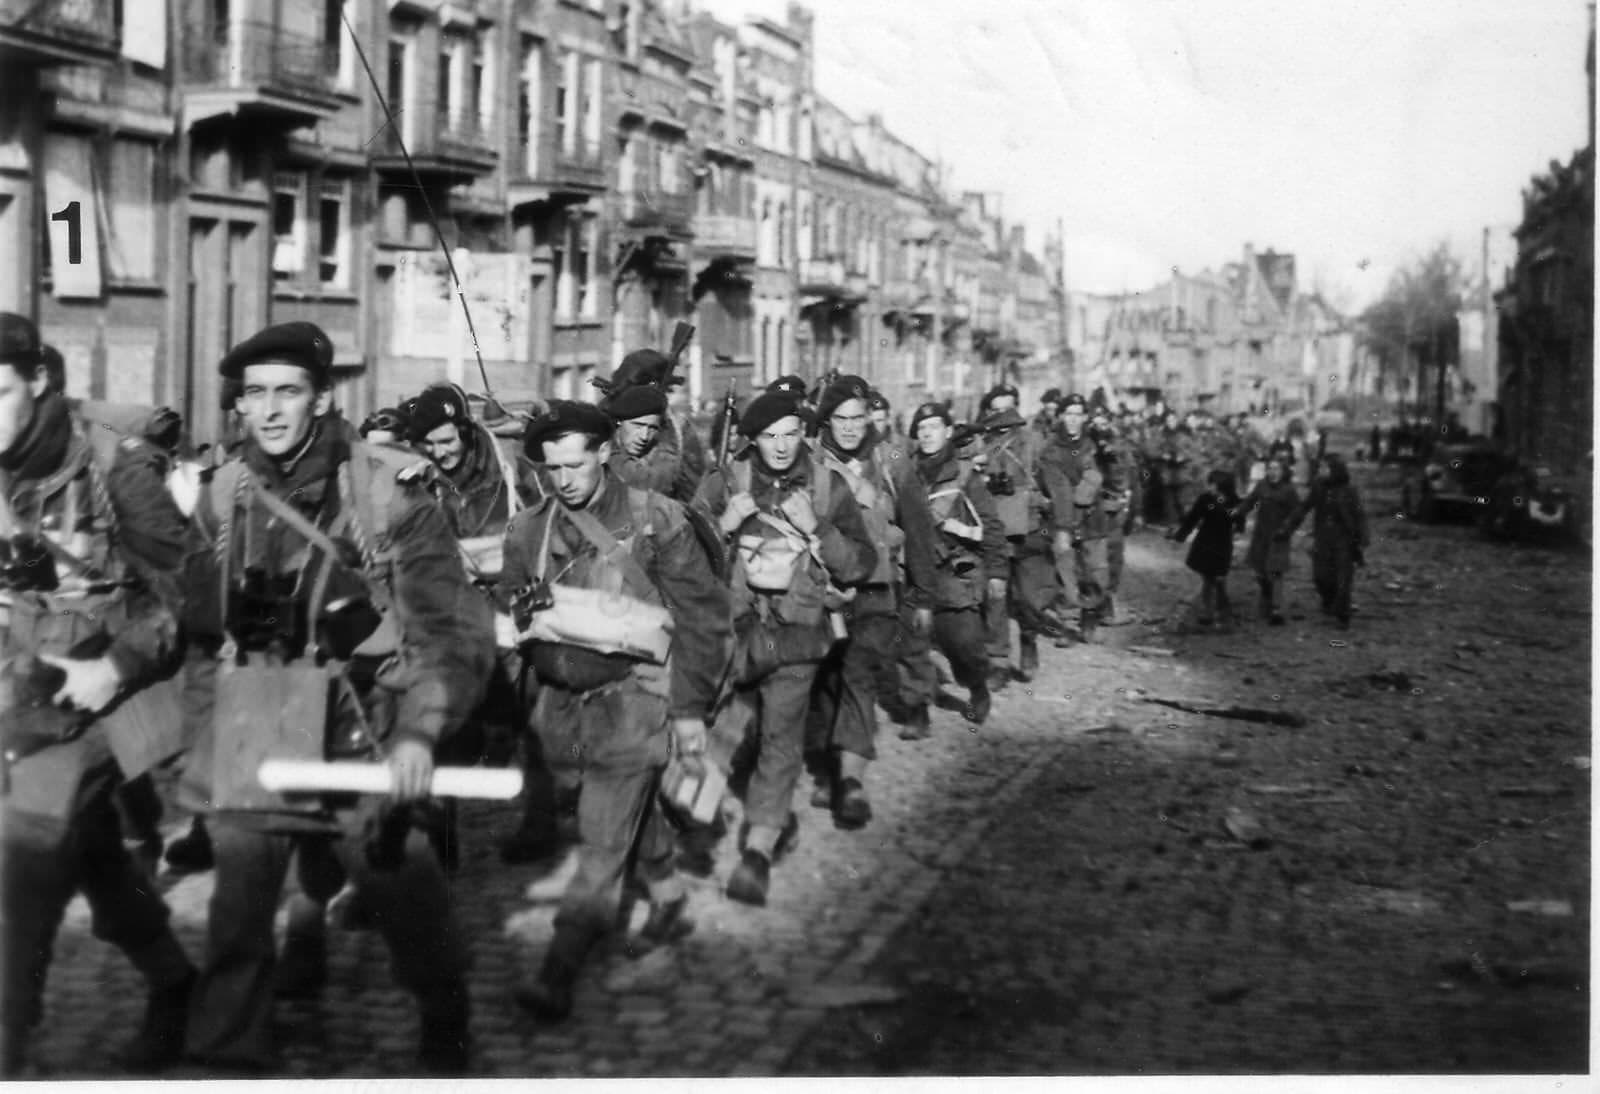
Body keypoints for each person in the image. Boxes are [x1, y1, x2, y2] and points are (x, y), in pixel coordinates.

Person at [176, 320, 494, 1073]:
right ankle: (227, 1058)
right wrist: (199, 746)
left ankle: (445, 1013)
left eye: (288, 392)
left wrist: (420, 732)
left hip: (363, 723)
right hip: (258, 716)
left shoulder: (383, 493)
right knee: (237, 913)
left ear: (321, 399)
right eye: (254, 395)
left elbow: (451, 629)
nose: (271, 411)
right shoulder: (222, 495)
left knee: (402, 889)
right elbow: (194, 635)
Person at [0, 313, 196, 1077]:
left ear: (39, 381)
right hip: (22, 703)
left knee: (17, 871)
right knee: (94, 861)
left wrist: (115, 665)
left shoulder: (118, 469)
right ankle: (175, 982)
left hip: (106, 705)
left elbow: (189, 602)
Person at [504, 400, 730, 1021]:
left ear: (605, 452)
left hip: (634, 698)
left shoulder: (658, 522)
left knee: (601, 836)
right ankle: (667, 893)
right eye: (552, 468)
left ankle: (559, 967)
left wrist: (688, 710)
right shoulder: (529, 530)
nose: (564, 480)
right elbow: (511, 616)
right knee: (634, 810)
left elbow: (706, 619)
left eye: (575, 464)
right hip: (560, 708)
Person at [693, 391, 876, 907]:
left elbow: (860, 563)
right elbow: (679, 552)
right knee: (726, 734)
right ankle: (764, 817)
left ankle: (757, 850)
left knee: (780, 736)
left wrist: (817, 527)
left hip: (798, 634)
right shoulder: (725, 483)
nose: (780, 446)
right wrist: (721, 527)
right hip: (734, 632)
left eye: (791, 434)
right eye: (770, 436)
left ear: (804, 434)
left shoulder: (826, 486)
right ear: (752, 438)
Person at [803, 375, 938, 828]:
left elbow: (918, 528)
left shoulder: (893, 457)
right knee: (824, 681)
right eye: (839, 419)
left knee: (858, 674)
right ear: (826, 421)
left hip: (877, 590)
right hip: (823, 592)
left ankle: (852, 778)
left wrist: (920, 594)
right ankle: (825, 766)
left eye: (857, 419)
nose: (849, 428)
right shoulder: (809, 459)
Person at [907, 401, 1005, 730]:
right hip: (911, 571)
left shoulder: (964, 476)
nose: (927, 434)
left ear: (948, 432)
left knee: (962, 645)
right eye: (921, 429)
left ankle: (976, 685)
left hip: (953, 571)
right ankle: (916, 711)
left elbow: (990, 525)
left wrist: (997, 572)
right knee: (912, 642)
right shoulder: (905, 473)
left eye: (934, 427)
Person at [976, 383, 1060, 686]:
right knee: (994, 595)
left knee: (1029, 597)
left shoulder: (1034, 442)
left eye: (1007, 407)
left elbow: (1054, 486)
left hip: (1029, 530)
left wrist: (1051, 516)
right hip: (993, 532)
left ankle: (1028, 640)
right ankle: (997, 659)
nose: (1002, 415)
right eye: (995, 409)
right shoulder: (979, 445)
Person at [1042, 394, 1117, 644]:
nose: (1073, 419)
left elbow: (1113, 476)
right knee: (1065, 572)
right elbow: (1058, 490)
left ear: (1085, 417)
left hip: (1094, 520)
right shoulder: (1051, 449)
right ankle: (1067, 621)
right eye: (1069, 414)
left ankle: (1091, 612)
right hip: (1065, 517)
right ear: (1061, 416)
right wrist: (1064, 526)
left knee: (1096, 572)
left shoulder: (1097, 444)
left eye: (1078, 414)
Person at [1278, 453, 1368, 628]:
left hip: (1344, 540)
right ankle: (1329, 601)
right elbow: (1304, 508)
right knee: (1321, 577)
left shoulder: (1349, 491)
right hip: (1322, 539)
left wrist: (1363, 537)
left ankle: (1343, 614)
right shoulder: (1319, 487)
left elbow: (1360, 515)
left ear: (1334, 470)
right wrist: (1287, 528)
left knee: (1343, 578)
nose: (1320, 470)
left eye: (1324, 467)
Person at [1170, 470, 1245, 628]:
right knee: (1208, 577)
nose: (1209, 487)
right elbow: (1192, 519)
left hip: (1223, 544)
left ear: (1221, 486)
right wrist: (1180, 537)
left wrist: (1239, 530)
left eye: (1212, 484)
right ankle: (1208, 611)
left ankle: (1222, 612)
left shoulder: (1233, 501)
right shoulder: (1205, 499)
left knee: (1218, 578)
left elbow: (1240, 516)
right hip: (1205, 542)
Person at [1237, 455, 1300, 624]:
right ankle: (1267, 594)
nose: (1272, 472)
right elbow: (1250, 502)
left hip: (1279, 535)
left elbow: (1297, 513)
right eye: (1270, 469)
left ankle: (1276, 608)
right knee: (1260, 571)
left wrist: (1287, 528)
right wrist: (1237, 513)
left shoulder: (1289, 490)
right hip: (1261, 533)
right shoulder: (1261, 486)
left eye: (1276, 469)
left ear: (1283, 471)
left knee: (1276, 571)